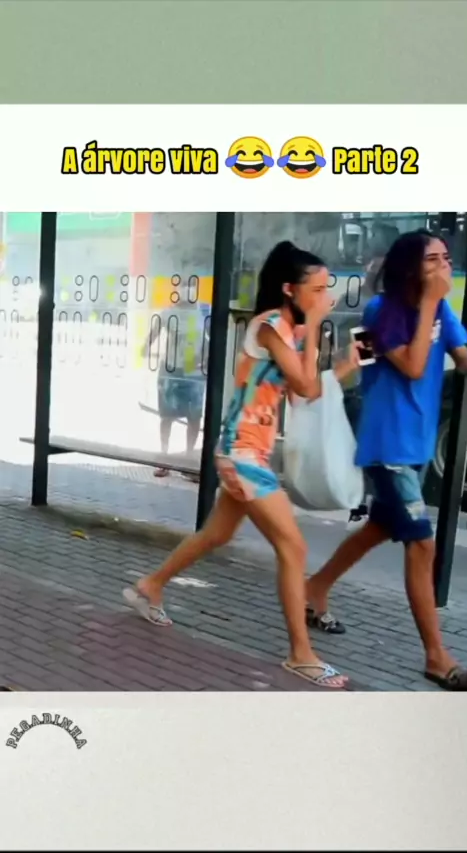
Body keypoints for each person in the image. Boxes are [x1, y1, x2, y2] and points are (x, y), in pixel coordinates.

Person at [124, 241, 359, 689]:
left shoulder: (290, 332)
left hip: (249, 452)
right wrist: (314, 326)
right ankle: (301, 654)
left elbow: (305, 393)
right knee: (294, 547)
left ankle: (149, 586)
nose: (325, 296)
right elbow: (304, 386)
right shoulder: (269, 326)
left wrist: (343, 363)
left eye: (326, 289)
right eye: (318, 289)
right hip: (242, 453)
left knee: (216, 534)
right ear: (289, 289)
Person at [305, 229, 467, 691]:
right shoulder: (382, 311)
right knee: (421, 545)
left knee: (380, 527)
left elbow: (464, 359)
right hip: (388, 446)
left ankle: (314, 587)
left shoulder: (439, 308)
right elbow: (414, 366)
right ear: (409, 267)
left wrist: (440, 312)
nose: (444, 267)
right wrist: (431, 303)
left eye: (447, 257)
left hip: (417, 445)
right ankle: (436, 657)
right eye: (433, 260)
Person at [143, 294, 208, 483]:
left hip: (194, 370)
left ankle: (188, 460)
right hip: (171, 369)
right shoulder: (168, 313)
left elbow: (210, 339)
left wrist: (206, 360)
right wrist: (145, 348)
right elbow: (152, 334)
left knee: (194, 416)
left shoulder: (204, 312)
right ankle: (164, 459)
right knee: (167, 415)